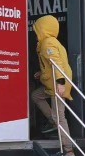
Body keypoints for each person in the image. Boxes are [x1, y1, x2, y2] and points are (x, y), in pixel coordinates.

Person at [30, 15, 74, 146]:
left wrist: (60, 82)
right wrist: (42, 73)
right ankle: (52, 121)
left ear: (43, 29)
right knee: (36, 95)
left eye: (37, 29)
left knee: (60, 117)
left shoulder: (48, 43)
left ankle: (68, 149)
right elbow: (50, 64)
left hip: (57, 84)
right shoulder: (51, 42)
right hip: (52, 84)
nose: (35, 32)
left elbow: (56, 63)